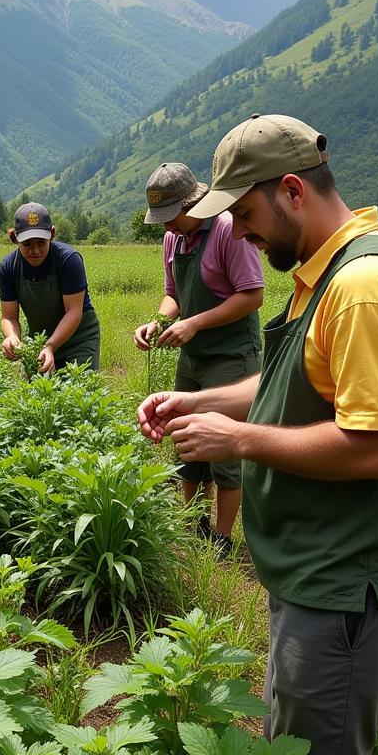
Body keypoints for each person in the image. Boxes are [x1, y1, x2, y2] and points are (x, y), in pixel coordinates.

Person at [137, 114, 378, 755]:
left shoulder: (367, 289)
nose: (241, 233)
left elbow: (376, 447)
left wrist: (234, 443)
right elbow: (290, 387)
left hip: (354, 587)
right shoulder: (329, 272)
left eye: (244, 215)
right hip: (322, 575)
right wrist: (205, 404)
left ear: (291, 191)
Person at [133, 162, 263, 554]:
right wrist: (159, 321)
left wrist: (194, 324)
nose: (167, 226)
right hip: (192, 356)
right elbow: (172, 293)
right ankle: (193, 527)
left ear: (194, 203)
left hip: (231, 356)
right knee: (185, 438)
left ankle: (221, 538)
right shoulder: (173, 240)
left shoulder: (227, 231)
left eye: (172, 217)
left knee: (225, 450)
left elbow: (251, 295)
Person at [0, 202, 101, 373]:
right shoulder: (8, 267)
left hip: (79, 338)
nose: (35, 250)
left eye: (41, 242)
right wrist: (12, 337)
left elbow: (74, 312)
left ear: (52, 234)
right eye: (27, 244)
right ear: (15, 238)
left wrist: (51, 346)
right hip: (40, 339)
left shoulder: (68, 259)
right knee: (39, 394)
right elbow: (9, 316)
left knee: (79, 391)